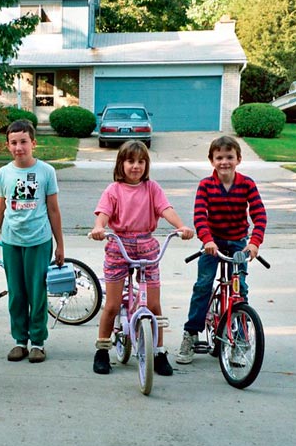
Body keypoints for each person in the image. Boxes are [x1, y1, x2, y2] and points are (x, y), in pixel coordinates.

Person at [89, 140, 194, 376]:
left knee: (154, 304)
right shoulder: (114, 190)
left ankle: (158, 351)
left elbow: (165, 209)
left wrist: (181, 227)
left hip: (147, 245)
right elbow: (103, 214)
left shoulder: (152, 188)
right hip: (119, 244)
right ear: (121, 164)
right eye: (130, 161)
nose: (136, 166)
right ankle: (103, 349)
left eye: (141, 161)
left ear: (146, 165)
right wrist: (98, 227)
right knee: (113, 304)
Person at [176, 135, 267, 365]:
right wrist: (207, 240)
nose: (224, 162)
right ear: (211, 160)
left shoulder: (247, 184)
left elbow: (259, 215)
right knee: (203, 285)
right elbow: (200, 217)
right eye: (219, 157)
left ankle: (239, 339)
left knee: (240, 291)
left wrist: (254, 242)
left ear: (238, 159)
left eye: (229, 157)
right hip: (213, 242)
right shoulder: (206, 185)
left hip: (238, 241)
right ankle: (191, 333)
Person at [0, 119, 64, 363]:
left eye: (24, 142)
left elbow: (53, 209)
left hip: (38, 241)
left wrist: (60, 243)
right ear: (8, 146)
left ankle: (38, 342)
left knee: (36, 293)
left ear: (33, 143)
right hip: (11, 241)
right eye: (14, 143)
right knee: (17, 294)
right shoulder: (3, 174)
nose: (19, 147)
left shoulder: (46, 172)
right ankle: (20, 340)